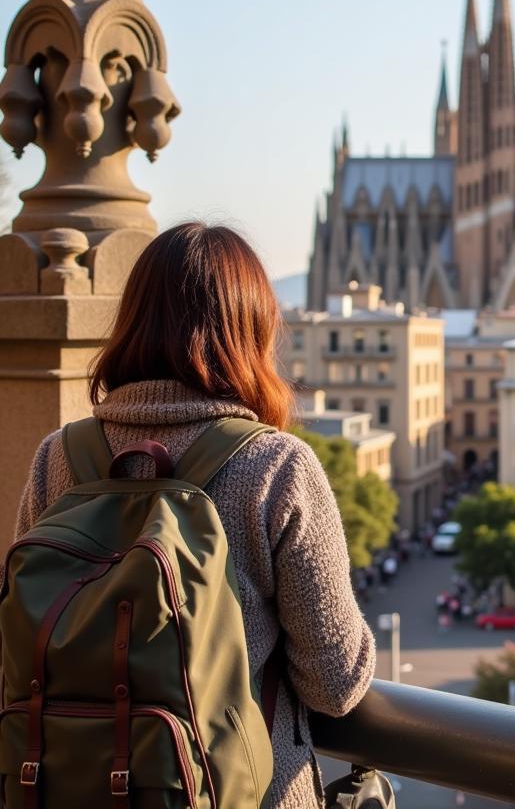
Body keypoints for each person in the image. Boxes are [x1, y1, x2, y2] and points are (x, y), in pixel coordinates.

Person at [14, 223, 375, 809]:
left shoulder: (58, 457)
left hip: (70, 786)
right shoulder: (276, 466)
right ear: (251, 331)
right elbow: (336, 683)